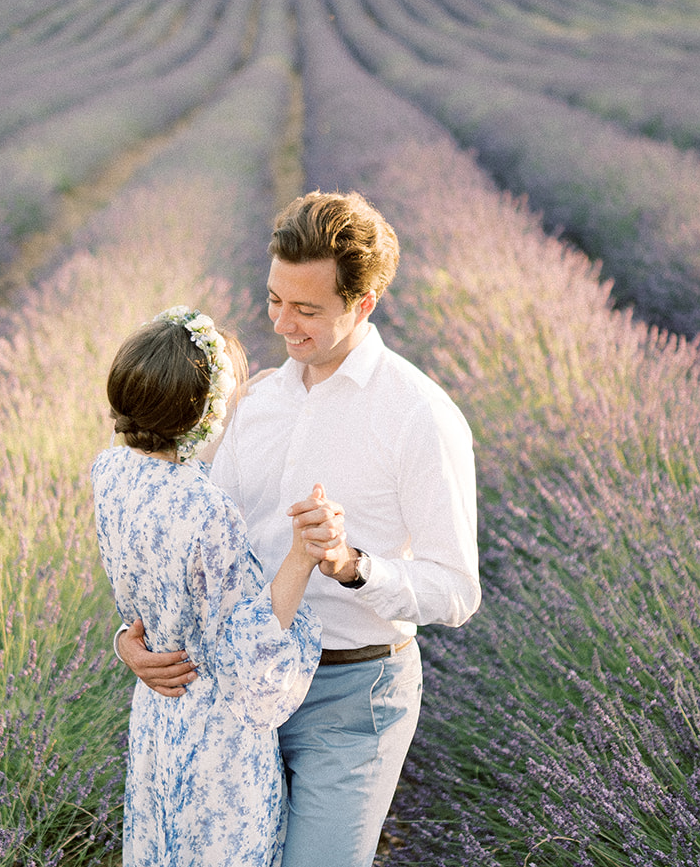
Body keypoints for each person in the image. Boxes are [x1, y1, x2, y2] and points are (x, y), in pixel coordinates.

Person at [118, 192, 480, 867]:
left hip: (353, 696)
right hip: (234, 692)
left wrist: (352, 562)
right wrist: (129, 641)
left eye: (307, 309)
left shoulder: (419, 416)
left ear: (363, 303)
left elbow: (457, 590)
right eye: (274, 299)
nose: (283, 324)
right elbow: (197, 553)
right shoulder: (254, 402)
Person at [92, 305, 347, 867]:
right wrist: (302, 558)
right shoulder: (207, 511)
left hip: (159, 708)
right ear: (205, 416)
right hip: (216, 734)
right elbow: (247, 651)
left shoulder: (110, 474)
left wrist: (123, 642)